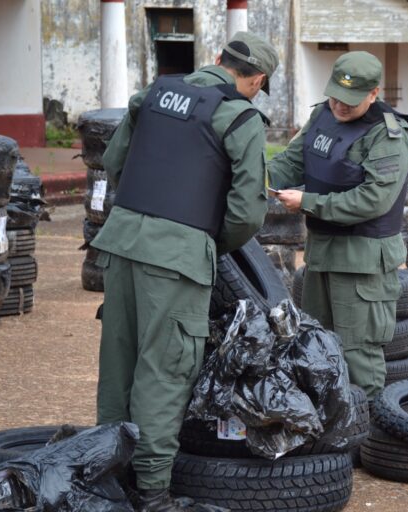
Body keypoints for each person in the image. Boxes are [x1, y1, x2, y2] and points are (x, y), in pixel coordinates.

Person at [91, 32, 278, 511]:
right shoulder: (239, 115)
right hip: (176, 257)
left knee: (119, 362)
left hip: (120, 241)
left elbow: (114, 164)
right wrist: (201, 243)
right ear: (256, 79)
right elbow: (246, 213)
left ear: (217, 60)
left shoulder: (152, 95)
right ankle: (152, 491)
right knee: (165, 368)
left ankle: (104, 475)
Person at [269, 51, 408, 399]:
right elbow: (292, 161)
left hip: (362, 260)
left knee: (357, 356)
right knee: (315, 344)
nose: (340, 106)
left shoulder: (388, 135)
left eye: (350, 101)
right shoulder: (323, 114)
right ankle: (324, 443)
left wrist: (307, 202)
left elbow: (373, 200)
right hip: (321, 252)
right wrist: (248, 177)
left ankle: (364, 441)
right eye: (335, 95)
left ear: (373, 94)